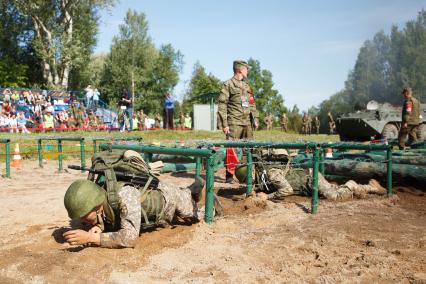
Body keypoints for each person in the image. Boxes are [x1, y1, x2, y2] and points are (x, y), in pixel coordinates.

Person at [62, 151, 204, 248]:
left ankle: (197, 193)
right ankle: (191, 191)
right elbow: (111, 216)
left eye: (83, 215)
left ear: (96, 205)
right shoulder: (101, 197)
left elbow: (129, 237)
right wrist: (99, 227)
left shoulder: (124, 196)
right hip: (162, 196)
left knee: (195, 215)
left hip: (168, 199)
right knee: (186, 195)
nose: (81, 221)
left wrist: (92, 238)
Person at [218, 60, 259, 183]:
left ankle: (248, 175)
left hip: (247, 123)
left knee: (250, 149)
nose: (248, 71)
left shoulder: (247, 86)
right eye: (246, 69)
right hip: (233, 122)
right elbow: (222, 105)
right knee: (231, 149)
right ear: (240, 70)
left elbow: (252, 103)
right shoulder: (228, 85)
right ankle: (229, 176)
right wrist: (224, 124)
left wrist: (255, 119)